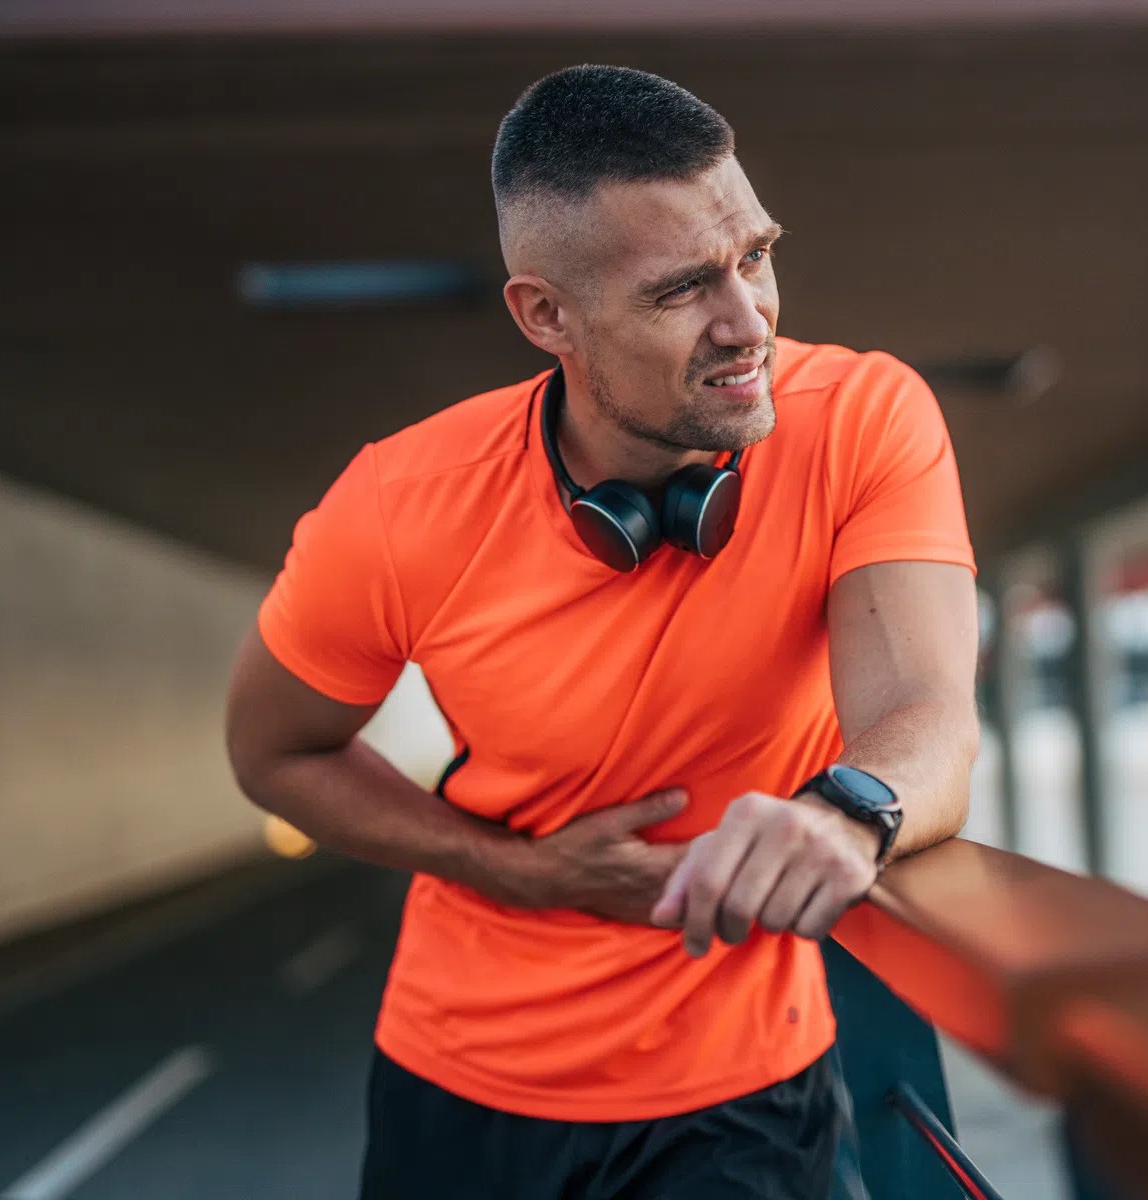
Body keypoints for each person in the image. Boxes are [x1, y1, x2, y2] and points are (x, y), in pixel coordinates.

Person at [224, 64, 979, 1200]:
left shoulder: (866, 419)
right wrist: (518, 871)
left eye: (756, 256)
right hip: (461, 1085)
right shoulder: (397, 507)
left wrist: (849, 811)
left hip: (749, 1092)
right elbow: (274, 752)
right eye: (681, 291)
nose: (749, 324)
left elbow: (930, 718)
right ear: (547, 317)